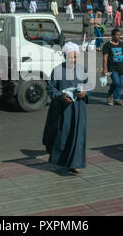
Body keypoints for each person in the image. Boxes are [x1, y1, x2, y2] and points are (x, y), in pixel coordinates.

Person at [43, 42, 89, 175]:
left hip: (78, 109)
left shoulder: (82, 69)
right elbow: (50, 88)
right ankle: (62, 161)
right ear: (64, 56)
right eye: (69, 57)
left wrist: (85, 92)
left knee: (78, 136)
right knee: (63, 135)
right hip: (63, 110)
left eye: (74, 57)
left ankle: (76, 163)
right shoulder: (57, 70)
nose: (72, 60)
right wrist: (60, 96)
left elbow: (87, 84)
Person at [102, 29, 123, 106]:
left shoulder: (122, 44)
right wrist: (104, 69)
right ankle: (110, 95)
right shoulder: (107, 45)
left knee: (120, 84)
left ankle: (117, 99)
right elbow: (105, 58)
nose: (119, 37)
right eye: (117, 35)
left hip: (121, 68)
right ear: (112, 35)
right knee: (116, 82)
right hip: (112, 68)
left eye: (119, 35)